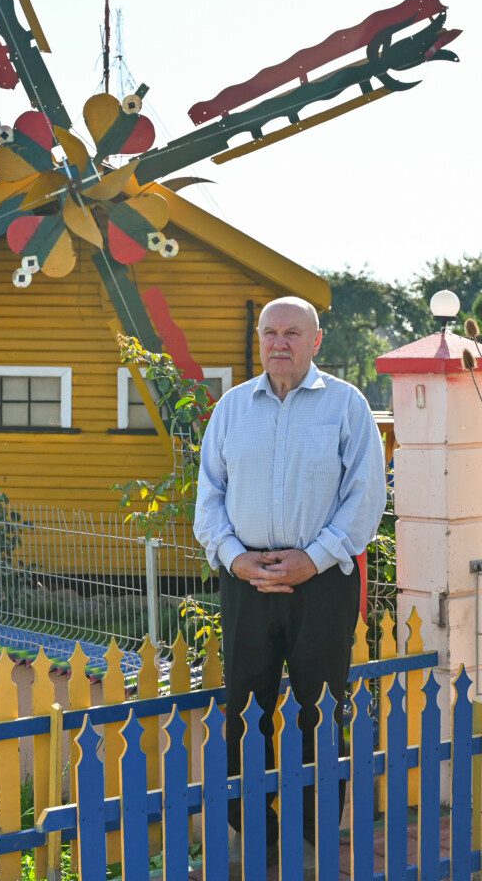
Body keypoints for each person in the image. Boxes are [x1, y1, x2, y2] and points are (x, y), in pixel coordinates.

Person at [193, 296, 386, 846]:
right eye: (270, 332)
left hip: (323, 581)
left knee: (319, 704)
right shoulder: (231, 409)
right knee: (245, 704)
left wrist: (313, 559)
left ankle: (314, 829)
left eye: (292, 333)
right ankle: (253, 825)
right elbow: (209, 497)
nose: (280, 343)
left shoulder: (347, 407)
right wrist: (234, 556)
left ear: (316, 340)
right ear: (259, 339)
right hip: (245, 578)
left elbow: (365, 498)